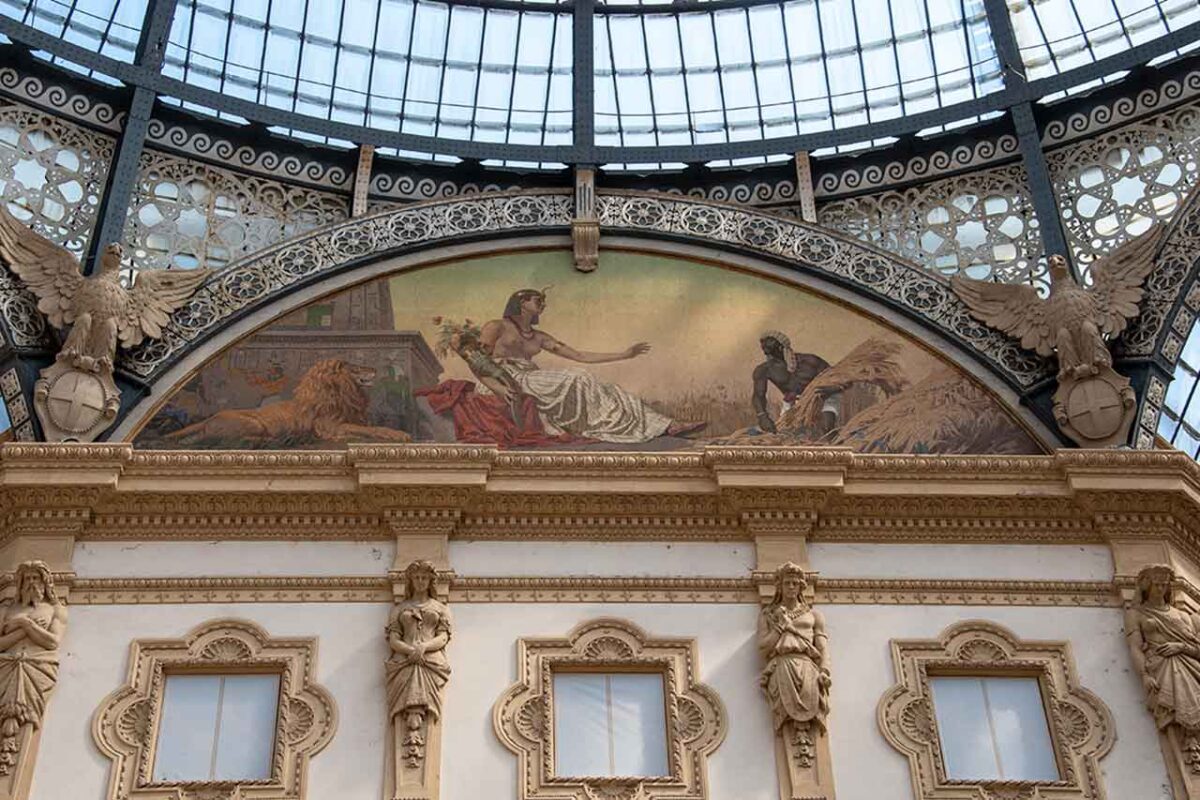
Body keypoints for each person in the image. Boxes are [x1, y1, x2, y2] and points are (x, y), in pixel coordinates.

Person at [476, 289, 705, 442]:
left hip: (530, 377)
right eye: (538, 301)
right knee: (578, 377)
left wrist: (624, 355)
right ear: (522, 303)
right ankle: (608, 425)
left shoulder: (539, 336)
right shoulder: (496, 326)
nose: (543, 305)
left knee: (611, 389)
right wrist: (495, 386)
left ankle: (667, 426)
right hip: (507, 378)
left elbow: (579, 355)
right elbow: (478, 361)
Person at [0, 561, 67, 773]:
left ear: (45, 582)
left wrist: (23, 624)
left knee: (26, 715)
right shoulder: (9, 609)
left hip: (38, 666)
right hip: (9, 664)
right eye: (27, 578)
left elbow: (53, 642)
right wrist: (27, 626)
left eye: (35, 578)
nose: (31, 583)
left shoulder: (56, 609)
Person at [757, 562, 831, 733]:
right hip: (782, 666)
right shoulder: (768, 615)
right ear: (780, 586)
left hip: (808, 668)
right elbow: (763, 648)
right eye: (787, 583)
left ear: (801, 587)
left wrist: (825, 671)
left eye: (795, 583)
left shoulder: (813, 615)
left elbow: (822, 646)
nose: (791, 587)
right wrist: (780, 627)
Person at [1127, 564, 1200, 732]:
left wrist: (1180, 646)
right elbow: (1135, 647)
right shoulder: (1136, 614)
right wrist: (1145, 675)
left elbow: (1197, 647)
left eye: (1164, 584)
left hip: (1188, 666)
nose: (1160, 589)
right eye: (1156, 584)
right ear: (1147, 586)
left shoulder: (1183, 615)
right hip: (1159, 666)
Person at [752, 331, 831, 434]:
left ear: (781, 346)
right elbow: (758, 395)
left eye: (769, 345)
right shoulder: (764, 370)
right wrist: (762, 416)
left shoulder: (810, 361)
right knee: (786, 433)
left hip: (821, 398)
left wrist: (816, 393)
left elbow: (834, 378)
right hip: (791, 403)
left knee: (826, 428)